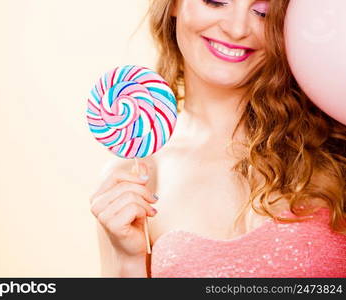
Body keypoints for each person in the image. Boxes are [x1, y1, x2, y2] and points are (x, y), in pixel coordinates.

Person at [89, 0, 346, 277]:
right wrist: (127, 259)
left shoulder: (333, 144)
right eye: (216, 1)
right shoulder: (136, 176)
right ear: (174, 4)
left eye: (262, 13)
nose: (236, 29)